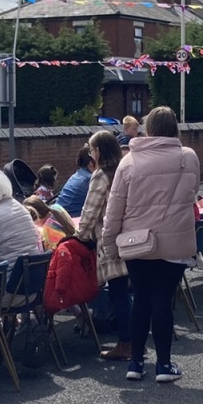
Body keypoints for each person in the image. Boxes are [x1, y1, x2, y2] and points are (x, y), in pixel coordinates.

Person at [101, 106, 201, 384]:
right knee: (163, 300)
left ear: (148, 129)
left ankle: (135, 362)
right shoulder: (188, 157)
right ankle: (164, 365)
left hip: (136, 243)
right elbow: (193, 192)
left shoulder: (129, 161)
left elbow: (114, 208)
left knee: (141, 299)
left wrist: (109, 245)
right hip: (175, 243)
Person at [76, 129, 131, 360]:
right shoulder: (125, 169)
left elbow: (91, 211)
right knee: (127, 292)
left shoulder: (101, 175)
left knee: (119, 293)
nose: (90, 153)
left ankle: (126, 344)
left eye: (91, 149)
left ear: (98, 151)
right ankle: (131, 341)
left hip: (110, 240)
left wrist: (80, 235)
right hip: (130, 238)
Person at [55, 147, 94, 218]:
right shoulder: (90, 179)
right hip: (70, 223)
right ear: (91, 163)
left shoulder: (78, 175)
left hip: (58, 219)